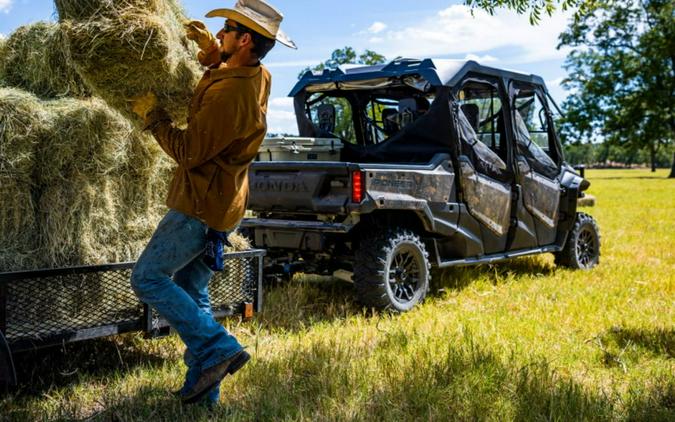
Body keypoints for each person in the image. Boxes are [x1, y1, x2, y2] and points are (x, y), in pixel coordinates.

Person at [130, 0, 296, 406]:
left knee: (147, 278)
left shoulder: (231, 96)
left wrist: (154, 118)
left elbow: (188, 151)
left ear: (243, 39)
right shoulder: (258, 74)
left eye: (226, 30)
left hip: (200, 206)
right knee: (193, 289)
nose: (218, 33)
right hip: (225, 204)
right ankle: (206, 396)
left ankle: (218, 347)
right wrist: (209, 53)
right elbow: (227, 76)